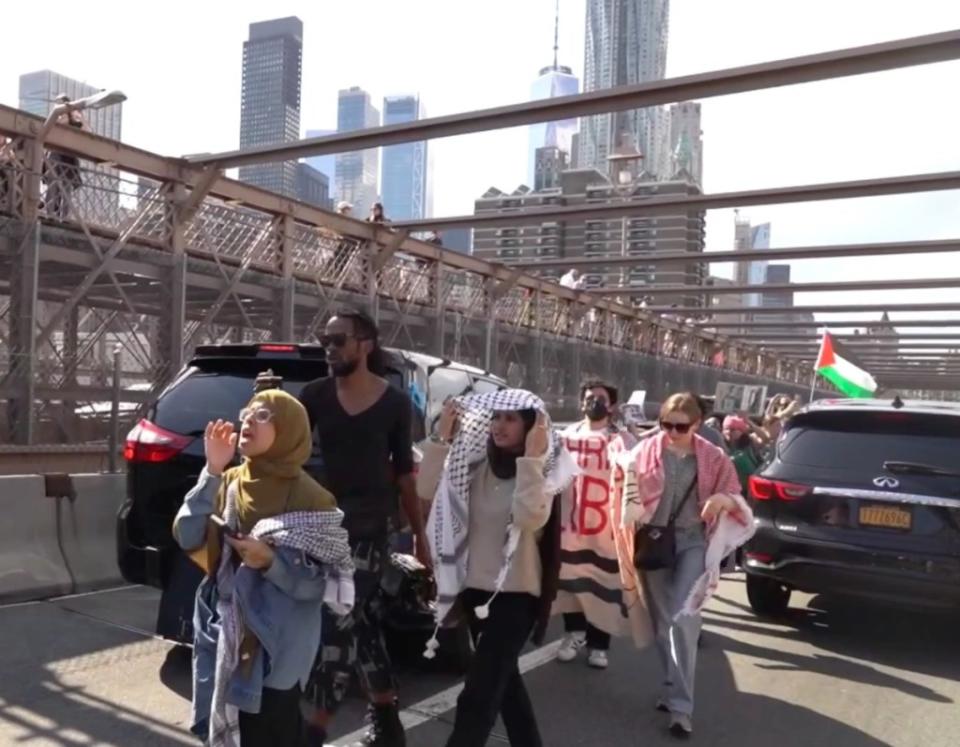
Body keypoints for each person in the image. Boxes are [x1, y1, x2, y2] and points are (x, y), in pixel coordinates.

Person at [173, 389, 354, 746]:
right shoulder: (228, 482)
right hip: (229, 634)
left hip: (280, 643)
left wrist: (271, 562)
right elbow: (187, 534)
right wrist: (211, 470)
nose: (247, 421)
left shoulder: (312, 498)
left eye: (263, 415)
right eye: (247, 413)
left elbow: (321, 586)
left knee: (272, 728)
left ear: (288, 430)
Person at [418, 390, 577, 747]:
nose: (498, 426)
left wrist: (531, 460)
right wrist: (443, 437)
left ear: (530, 426)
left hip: (517, 596)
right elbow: (426, 488)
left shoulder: (546, 468)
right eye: (495, 418)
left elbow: (528, 517)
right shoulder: (473, 462)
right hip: (475, 591)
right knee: (505, 684)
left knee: (479, 691)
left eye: (510, 419)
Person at [298, 309, 425, 747]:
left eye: (338, 340)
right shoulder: (313, 396)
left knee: (338, 620)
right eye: (324, 340)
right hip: (324, 528)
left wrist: (422, 539)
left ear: (365, 343)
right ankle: (388, 722)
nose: (329, 348)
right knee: (363, 622)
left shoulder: (394, 403)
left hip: (371, 533)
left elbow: (405, 474)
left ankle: (310, 733)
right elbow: (287, 454)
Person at [613, 392, 754, 738]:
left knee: (683, 617)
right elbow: (620, 478)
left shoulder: (713, 457)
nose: (671, 432)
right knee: (663, 622)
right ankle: (669, 684)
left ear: (696, 425)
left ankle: (681, 707)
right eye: (665, 424)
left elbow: (734, 492)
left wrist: (720, 500)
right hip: (652, 542)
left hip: (692, 542)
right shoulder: (645, 448)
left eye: (680, 427)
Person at [555, 380, 632, 669]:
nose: (593, 403)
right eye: (589, 398)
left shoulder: (620, 438)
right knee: (572, 582)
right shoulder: (567, 434)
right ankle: (573, 633)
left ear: (611, 405)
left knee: (603, 585)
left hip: (604, 527)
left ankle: (600, 645)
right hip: (572, 524)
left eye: (600, 398)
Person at [43, 95, 85, 220]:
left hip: (69, 158)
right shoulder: (55, 119)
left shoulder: (75, 122)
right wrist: (64, 114)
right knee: (53, 186)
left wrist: (78, 115)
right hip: (55, 156)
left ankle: (64, 217)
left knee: (66, 189)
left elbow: (86, 131)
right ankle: (50, 214)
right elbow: (51, 128)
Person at [722, 415, 763, 493]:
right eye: (726, 429)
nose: (728, 432)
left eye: (733, 429)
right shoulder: (721, 444)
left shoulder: (746, 449)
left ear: (741, 432)